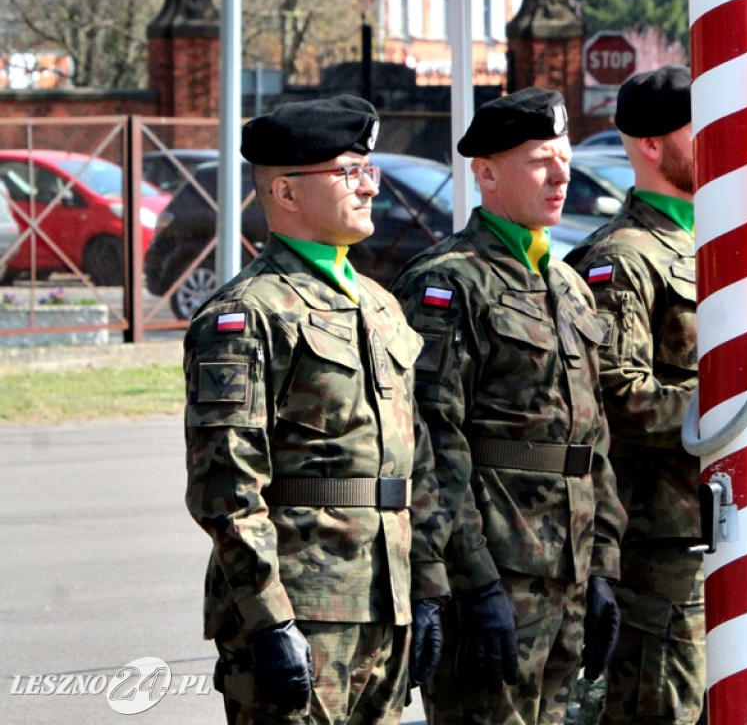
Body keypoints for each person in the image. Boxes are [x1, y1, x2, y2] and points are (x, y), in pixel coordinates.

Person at [182, 94, 449, 725]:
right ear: (286, 192)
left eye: (369, 171)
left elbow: (418, 463)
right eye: (346, 173)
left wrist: (430, 588)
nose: (367, 189)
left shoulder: (381, 306)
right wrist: (270, 618)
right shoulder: (246, 315)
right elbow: (226, 487)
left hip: (386, 602)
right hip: (303, 606)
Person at [390, 87, 627, 725]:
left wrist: (603, 566)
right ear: (486, 173)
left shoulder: (569, 285)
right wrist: (473, 582)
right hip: (497, 572)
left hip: (569, 573)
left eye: (566, 158)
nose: (561, 175)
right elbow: (432, 442)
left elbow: (592, 438)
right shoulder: (447, 281)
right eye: (539, 161)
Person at [564, 65, 706, 725]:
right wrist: (730, 412)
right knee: (662, 709)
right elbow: (618, 396)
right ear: (650, 144)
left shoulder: (710, 244)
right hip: (656, 539)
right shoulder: (620, 257)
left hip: (714, 523)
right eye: (697, 127)